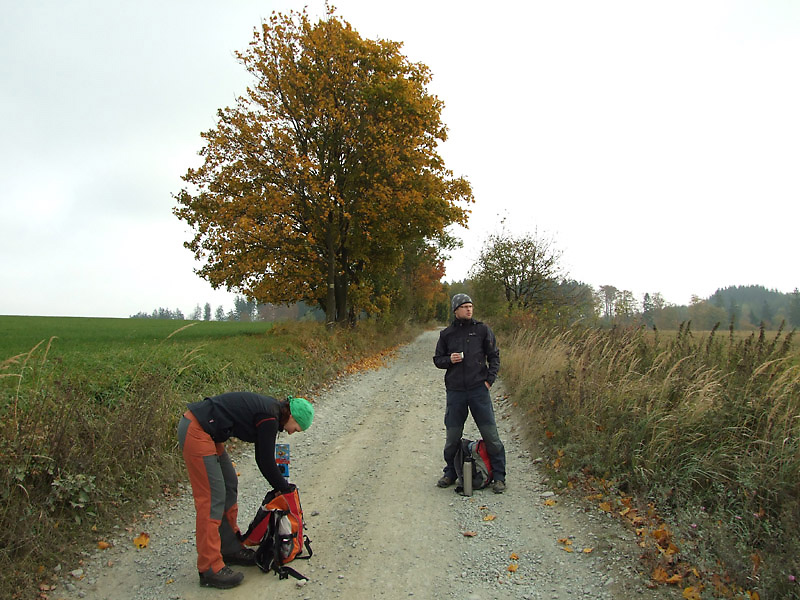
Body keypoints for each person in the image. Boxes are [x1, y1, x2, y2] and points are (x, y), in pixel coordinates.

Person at [177, 392, 314, 589]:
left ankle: (229, 548)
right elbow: (265, 461)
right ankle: (209, 568)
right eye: (297, 429)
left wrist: (281, 488)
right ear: (292, 417)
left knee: (229, 484)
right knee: (212, 499)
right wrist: (284, 490)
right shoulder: (270, 417)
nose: (292, 433)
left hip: (209, 433)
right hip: (197, 430)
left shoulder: (272, 415)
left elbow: (262, 457)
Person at [433, 294, 506, 494]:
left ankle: (499, 477)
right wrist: (449, 359)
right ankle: (450, 472)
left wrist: (489, 381)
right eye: (464, 307)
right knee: (452, 436)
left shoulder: (482, 330)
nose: (468, 310)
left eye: (470, 306)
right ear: (455, 310)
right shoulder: (446, 334)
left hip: (478, 390)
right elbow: (437, 360)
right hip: (456, 391)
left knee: (490, 435)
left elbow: (494, 356)